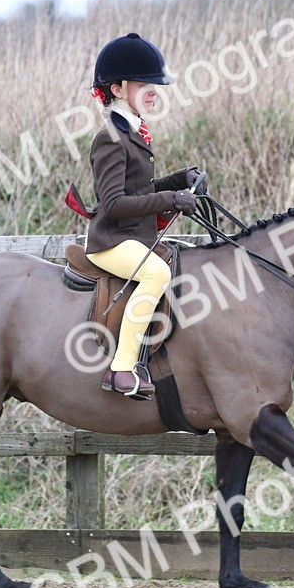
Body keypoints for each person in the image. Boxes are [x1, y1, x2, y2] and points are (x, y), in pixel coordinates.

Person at [84, 32, 204, 399]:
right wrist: (171, 197)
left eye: (155, 85)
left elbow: (141, 188)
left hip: (134, 238)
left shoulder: (133, 132)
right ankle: (121, 369)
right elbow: (115, 204)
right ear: (118, 89)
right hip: (111, 241)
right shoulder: (110, 137)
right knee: (157, 273)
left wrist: (179, 180)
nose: (154, 92)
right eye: (145, 85)